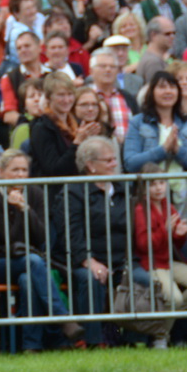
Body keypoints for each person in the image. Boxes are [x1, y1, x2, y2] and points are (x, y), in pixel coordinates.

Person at [0, 148, 68, 352]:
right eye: (15, 170)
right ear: (2, 172)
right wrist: (20, 212)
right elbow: (9, 242)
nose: (21, 175)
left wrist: (25, 209)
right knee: (34, 262)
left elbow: (42, 236)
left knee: (27, 279)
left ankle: (31, 345)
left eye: (24, 170)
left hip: (29, 262)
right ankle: (62, 317)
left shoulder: (35, 192)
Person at [52, 135, 130, 347]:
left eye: (115, 159)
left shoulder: (122, 189)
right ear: (91, 166)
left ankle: (134, 338)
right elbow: (71, 232)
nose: (115, 164)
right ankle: (93, 340)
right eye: (109, 160)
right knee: (91, 278)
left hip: (120, 258)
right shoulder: (73, 191)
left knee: (139, 274)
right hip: (79, 260)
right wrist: (89, 261)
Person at [133, 176, 187, 348]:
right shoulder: (140, 209)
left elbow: (174, 243)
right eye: (153, 184)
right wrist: (165, 231)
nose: (159, 188)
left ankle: (159, 328)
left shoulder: (168, 206)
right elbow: (144, 245)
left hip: (168, 261)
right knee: (176, 299)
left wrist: (179, 234)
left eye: (161, 183)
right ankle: (160, 337)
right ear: (144, 188)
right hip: (151, 263)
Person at [122, 71, 187, 172]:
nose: (168, 91)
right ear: (152, 91)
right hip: (151, 187)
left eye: (172, 87)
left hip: (186, 187)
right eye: (162, 87)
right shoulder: (138, 122)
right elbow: (130, 163)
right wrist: (163, 149)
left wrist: (178, 151)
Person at [28, 71, 92, 178]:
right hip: (53, 192)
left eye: (70, 94)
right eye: (61, 95)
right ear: (48, 98)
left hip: (75, 190)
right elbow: (54, 169)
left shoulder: (78, 124)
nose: (66, 100)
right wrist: (77, 143)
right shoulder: (41, 127)